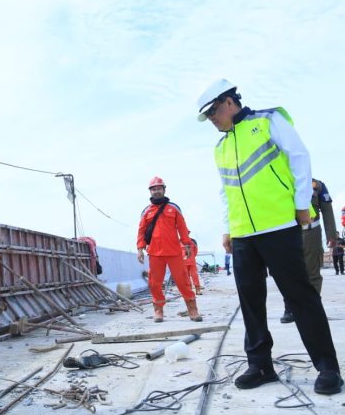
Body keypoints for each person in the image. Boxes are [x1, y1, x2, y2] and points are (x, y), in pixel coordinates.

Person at [197, 78, 342, 395]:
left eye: (213, 113)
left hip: (278, 226)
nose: (211, 120)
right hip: (243, 235)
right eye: (207, 117)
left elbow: (299, 156)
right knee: (250, 302)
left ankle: (328, 368)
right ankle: (260, 365)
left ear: (229, 102)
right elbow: (226, 191)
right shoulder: (221, 148)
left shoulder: (268, 121)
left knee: (300, 296)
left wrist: (302, 204)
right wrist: (227, 228)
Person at [137, 176, 202, 323]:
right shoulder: (146, 211)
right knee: (154, 283)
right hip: (155, 253)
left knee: (183, 282)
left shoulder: (174, 208)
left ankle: (192, 309)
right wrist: (140, 249)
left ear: (164, 190)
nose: (156, 191)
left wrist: (187, 244)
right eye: (154, 189)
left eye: (159, 188)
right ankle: (158, 310)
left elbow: (182, 228)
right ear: (150, 192)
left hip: (174, 252)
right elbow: (141, 231)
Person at [280, 178, 337, 323]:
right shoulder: (282, 180)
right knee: (288, 272)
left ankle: (313, 308)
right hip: (288, 233)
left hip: (312, 233)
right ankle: (290, 308)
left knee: (313, 273)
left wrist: (331, 235)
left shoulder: (317, 185)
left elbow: (327, 209)